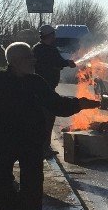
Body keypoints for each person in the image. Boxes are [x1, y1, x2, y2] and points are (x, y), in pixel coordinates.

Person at [0, 42, 100, 210]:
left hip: (30, 139)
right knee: (2, 181)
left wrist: (80, 104)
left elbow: (57, 104)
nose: (34, 60)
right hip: (1, 139)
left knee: (32, 181)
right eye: (29, 57)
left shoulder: (36, 82)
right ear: (15, 61)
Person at [33, 24, 77, 156]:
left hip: (48, 89)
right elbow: (54, 62)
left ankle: (44, 146)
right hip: (43, 91)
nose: (55, 37)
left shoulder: (44, 48)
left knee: (48, 118)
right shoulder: (42, 50)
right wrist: (67, 63)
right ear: (50, 35)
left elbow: (56, 62)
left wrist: (64, 63)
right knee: (46, 119)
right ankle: (43, 148)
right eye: (53, 34)